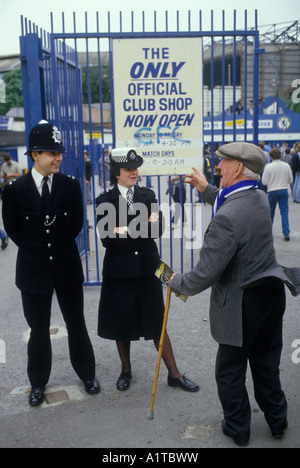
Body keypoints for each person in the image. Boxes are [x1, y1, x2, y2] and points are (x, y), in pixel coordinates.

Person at [169, 142, 300, 446]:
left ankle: (238, 429)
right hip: (270, 296)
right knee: (266, 365)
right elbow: (231, 201)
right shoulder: (259, 198)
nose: (217, 168)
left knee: (229, 371)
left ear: (238, 168)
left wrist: (176, 281)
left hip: (242, 306)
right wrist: (206, 189)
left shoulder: (228, 218)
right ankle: (277, 421)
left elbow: (204, 274)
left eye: (223, 163)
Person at [2, 120, 100, 406]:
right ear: (34, 155)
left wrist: (55, 250)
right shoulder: (14, 190)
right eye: (50, 152)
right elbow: (13, 230)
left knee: (76, 323)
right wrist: (38, 252)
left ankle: (88, 374)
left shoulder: (69, 187)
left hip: (66, 267)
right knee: (38, 329)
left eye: (59, 152)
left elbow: (76, 224)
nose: (58, 157)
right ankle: (38, 383)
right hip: (33, 271)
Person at [96, 147, 199, 393]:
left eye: (136, 168)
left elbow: (158, 229)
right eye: (128, 169)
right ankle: (126, 370)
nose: (134, 172)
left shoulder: (147, 195)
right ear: (116, 172)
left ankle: (174, 374)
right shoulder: (104, 201)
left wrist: (125, 228)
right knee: (121, 324)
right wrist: (139, 227)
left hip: (146, 269)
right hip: (119, 273)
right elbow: (108, 239)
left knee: (157, 324)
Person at [262, 147, 293, 241]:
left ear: (271, 157)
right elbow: (290, 180)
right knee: (284, 212)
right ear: (280, 155)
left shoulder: (268, 167)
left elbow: (264, 182)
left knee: (270, 212)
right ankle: (286, 233)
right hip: (283, 190)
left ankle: (268, 233)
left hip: (272, 191)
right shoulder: (286, 166)